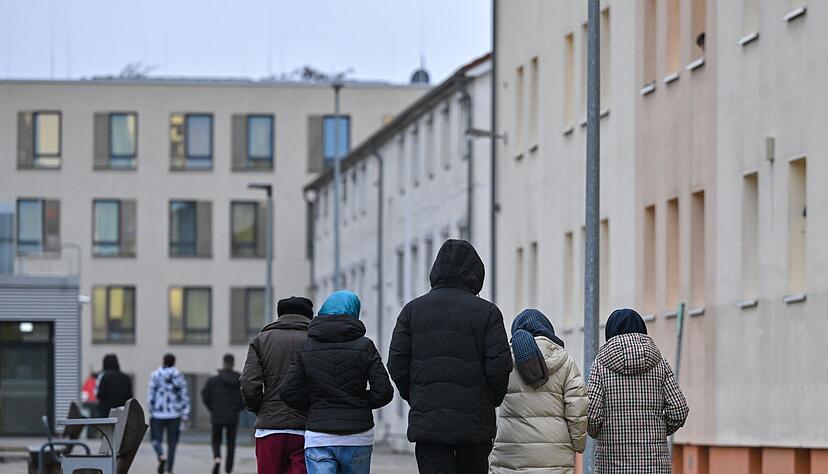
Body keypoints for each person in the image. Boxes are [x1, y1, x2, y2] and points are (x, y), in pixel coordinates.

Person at [388, 239, 512, 473]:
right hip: (474, 424)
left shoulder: (412, 311)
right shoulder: (487, 313)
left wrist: (416, 395)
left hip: (430, 424)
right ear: (475, 273)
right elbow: (499, 366)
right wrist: (488, 400)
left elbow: (397, 363)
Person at [280, 291, 393, 474]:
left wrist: (315, 403)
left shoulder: (306, 346)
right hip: (358, 434)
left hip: (319, 435)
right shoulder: (365, 346)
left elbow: (288, 392)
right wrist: (359, 402)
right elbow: (384, 392)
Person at [587, 308, 689, 473]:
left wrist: (602, 432)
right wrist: (658, 430)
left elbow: (591, 415)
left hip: (612, 466)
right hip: (654, 466)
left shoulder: (600, 365)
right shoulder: (660, 363)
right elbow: (678, 410)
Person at [490, 309, 588, 474]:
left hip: (511, 455)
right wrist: (578, 444)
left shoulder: (505, 361)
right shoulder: (565, 362)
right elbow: (577, 406)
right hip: (554, 457)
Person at [241, 296, 314, 474]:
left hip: (270, 428)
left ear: (279, 314)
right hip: (306, 428)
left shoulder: (261, 340)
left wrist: (260, 408)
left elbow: (249, 382)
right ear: (309, 315)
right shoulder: (316, 341)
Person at [202, 353, 245, 474]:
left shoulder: (213, 381)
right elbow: (246, 396)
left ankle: (217, 458)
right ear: (233, 363)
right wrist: (239, 408)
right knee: (231, 442)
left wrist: (212, 408)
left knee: (216, 440)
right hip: (233, 415)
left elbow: (205, 395)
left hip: (217, 415)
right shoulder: (239, 380)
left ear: (224, 362)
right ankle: (228, 468)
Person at [148, 353, 190, 474]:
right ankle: (169, 469)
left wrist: (151, 409)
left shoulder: (155, 375)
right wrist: (185, 413)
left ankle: (161, 455)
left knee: (155, 439)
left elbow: (151, 394)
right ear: (174, 362)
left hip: (158, 413)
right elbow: (184, 395)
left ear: (163, 361)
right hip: (175, 413)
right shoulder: (178, 375)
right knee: (172, 443)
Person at [96, 354, 133, 418]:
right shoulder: (126, 378)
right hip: (122, 413)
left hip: (107, 413)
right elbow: (130, 396)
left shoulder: (105, 377)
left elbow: (101, 395)